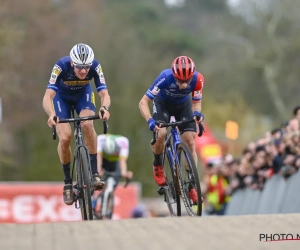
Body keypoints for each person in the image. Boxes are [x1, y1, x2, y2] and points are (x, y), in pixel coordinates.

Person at [42, 43, 111, 205]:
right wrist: (51, 114)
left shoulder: (95, 65)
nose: (83, 71)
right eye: (80, 67)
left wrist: (104, 107)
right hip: (61, 99)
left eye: (86, 67)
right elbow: (47, 97)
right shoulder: (61, 66)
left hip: (83, 96)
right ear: (72, 63)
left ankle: (94, 173)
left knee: (87, 124)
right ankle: (67, 182)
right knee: (65, 138)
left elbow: (104, 93)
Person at [138, 56, 204, 204]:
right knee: (160, 133)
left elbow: (196, 103)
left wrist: (197, 113)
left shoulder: (198, 79)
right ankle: (157, 164)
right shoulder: (165, 77)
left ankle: (192, 185)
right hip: (163, 104)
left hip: (183, 105)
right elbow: (143, 102)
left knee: (190, 140)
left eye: (187, 80)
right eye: (180, 80)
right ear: (174, 75)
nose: (184, 84)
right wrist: (150, 120)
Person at [92, 134, 133, 218]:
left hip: (115, 163)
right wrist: (98, 170)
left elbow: (122, 161)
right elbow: (98, 157)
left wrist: (124, 172)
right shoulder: (100, 139)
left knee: (114, 182)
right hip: (103, 161)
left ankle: (108, 199)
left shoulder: (123, 142)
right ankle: (94, 200)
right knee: (95, 178)